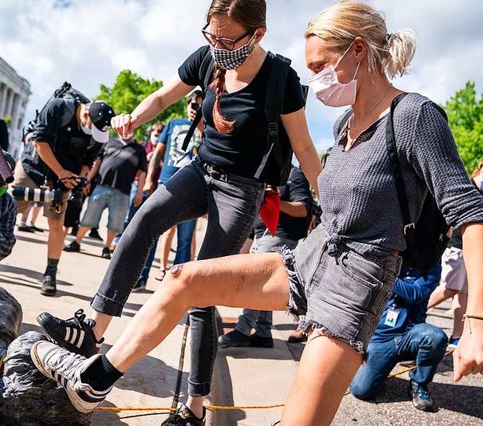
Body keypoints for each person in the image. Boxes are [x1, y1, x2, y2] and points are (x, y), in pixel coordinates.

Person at [30, 2, 483, 425]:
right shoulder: (343, 124)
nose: (314, 79)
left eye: (321, 67)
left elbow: (471, 215)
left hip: (353, 286)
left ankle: (191, 402)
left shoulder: (414, 116)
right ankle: (91, 381)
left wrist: (479, 322)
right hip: (306, 262)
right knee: (183, 279)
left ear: (358, 51)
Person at [34, 0, 320, 423]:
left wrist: (329, 201)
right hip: (201, 169)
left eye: (227, 39)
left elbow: (305, 147)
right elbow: (165, 96)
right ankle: (92, 329)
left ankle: (194, 408)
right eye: (211, 35)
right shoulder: (208, 57)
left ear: (257, 35)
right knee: (144, 220)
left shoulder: (281, 78)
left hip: (243, 189)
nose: (218, 47)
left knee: (202, 290)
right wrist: (134, 116)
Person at [13, 95, 115, 297]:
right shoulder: (58, 108)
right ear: (85, 113)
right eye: (92, 128)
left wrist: (79, 177)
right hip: (33, 170)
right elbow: (39, 142)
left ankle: (50, 273)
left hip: (63, 180)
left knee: (56, 226)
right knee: (5, 212)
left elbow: (90, 159)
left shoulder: (98, 130)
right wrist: (61, 172)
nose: (94, 134)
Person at [219, 166, 312, 349]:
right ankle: (263, 334)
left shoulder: (294, 174)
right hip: (260, 234)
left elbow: (302, 209)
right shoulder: (264, 174)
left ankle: (243, 330)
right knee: (266, 287)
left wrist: (277, 202)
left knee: (257, 282)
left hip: (280, 235)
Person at [428, 160, 483, 346]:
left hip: (469, 249)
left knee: (463, 293)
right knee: (450, 288)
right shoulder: (467, 188)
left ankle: (457, 336)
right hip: (456, 245)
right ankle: (415, 313)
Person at [350, 265, 448, 412]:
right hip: (382, 338)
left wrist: (385, 275)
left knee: (435, 337)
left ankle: (419, 383)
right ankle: (375, 369)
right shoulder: (389, 256)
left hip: (411, 334)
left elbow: (415, 294)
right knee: (361, 391)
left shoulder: (431, 266)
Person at [148, 91, 205, 282]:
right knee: (155, 229)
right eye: (192, 105)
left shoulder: (208, 130)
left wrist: (202, 126)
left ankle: (179, 281)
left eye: (199, 106)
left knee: (186, 238)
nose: (194, 109)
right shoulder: (173, 124)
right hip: (167, 182)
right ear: (187, 105)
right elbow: (157, 153)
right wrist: (150, 179)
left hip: (193, 187)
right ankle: (145, 274)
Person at [63, 134, 147, 259]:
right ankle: (77, 242)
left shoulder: (139, 149)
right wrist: (88, 180)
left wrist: (139, 192)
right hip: (101, 186)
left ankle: (107, 247)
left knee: (115, 222)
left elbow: (142, 173)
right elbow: (97, 163)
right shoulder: (109, 142)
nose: (126, 131)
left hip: (123, 191)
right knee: (89, 216)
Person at [112, 121, 165, 291]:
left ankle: (142, 276)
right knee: (129, 222)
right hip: (139, 188)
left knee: (152, 232)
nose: (157, 134)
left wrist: (159, 162)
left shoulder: (165, 150)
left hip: (160, 189)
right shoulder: (143, 147)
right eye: (155, 131)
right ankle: (119, 250)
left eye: (160, 132)